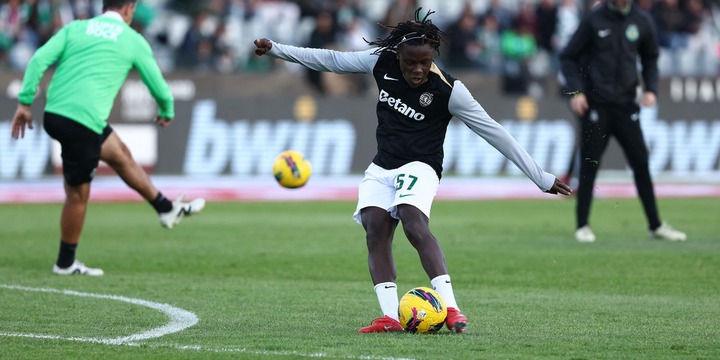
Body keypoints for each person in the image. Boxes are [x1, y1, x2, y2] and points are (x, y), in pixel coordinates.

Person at [254, 8, 572, 334]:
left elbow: (494, 132)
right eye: (411, 63)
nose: (418, 69)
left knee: (412, 220)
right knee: (374, 228)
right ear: (398, 55)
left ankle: (451, 308)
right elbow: (331, 61)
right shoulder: (381, 61)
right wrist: (277, 49)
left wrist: (541, 177)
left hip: (422, 164)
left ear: (433, 55)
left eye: (425, 62)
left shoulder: (450, 90)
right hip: (382, 165)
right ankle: (391, 317)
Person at [10, 0, 206, 276]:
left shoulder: (76, 28)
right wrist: (167, 110)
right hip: (82, 122)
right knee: (77, 196)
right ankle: (65, 264)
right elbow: (159, 87)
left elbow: (39, 59)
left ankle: (166, 208)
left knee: (119, 154)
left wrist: (25, 102)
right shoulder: (132, 40)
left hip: (56, 114)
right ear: (129, 8)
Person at [559, 0, 686, 243]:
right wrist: (576, 91)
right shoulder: (593, 20)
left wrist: (651, 89)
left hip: (627, 106)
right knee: (589, 165)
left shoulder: (642, 21)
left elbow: (650, 58)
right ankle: (582, 225)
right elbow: (568, 57)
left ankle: (655, 225)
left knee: (641, 164)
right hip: (596, 105)